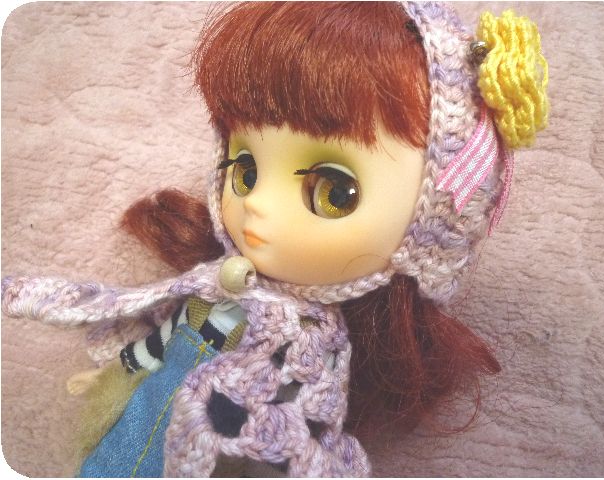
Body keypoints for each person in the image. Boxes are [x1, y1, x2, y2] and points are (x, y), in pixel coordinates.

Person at [1, 2, 547, 477]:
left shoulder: (308, 352)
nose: (256, 205)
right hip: (135, 420)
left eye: (333, 192)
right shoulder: (216, 283)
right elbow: (166, 334)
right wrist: (129, 362)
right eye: (245, 169)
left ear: (426, 239)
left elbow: (297, 438)